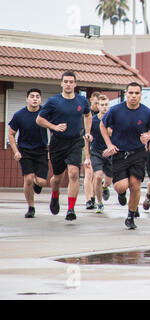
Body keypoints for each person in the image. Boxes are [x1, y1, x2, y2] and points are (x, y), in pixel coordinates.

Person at [36, 71, 93, 221]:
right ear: (61, 83)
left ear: (75, 84)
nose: (68, 84)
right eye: (65, 81)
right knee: (57, 178)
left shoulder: (82, 101)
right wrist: (54, 127)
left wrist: (87, 132)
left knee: (74, 173)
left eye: (71, 82)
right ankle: (55, 195)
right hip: (58, 143)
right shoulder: (54, 101)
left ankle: (71, 209)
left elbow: (88, 115)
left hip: (75, 141)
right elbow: (39, 119)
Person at [101, 82, 150, 230]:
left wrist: (149, 135)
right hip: (119, 152)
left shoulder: (147, 113)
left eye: (136, 93)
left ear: (141, 95)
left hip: (138, 152)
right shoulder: (115, 110)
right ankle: (121, 193)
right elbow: (102, 125)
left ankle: (131, 216)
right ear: (126, 94)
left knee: (135, 185)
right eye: (131, 93)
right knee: (121, 186)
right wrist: (109, 144)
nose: (133, 96)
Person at [8, 88, 49, 218]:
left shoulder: (45, 113)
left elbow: (54, 128)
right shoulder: (19, 115)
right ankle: (31, 207)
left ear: (40, 99)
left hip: (42, 150)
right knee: (29, 179)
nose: (35, 98)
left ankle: (38, 184)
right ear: (27, 99)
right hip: (25, 151)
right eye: (32, 96)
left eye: (37, 96)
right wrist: (16, 152)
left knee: (42, 182)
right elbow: (11, 134)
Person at [83, 95, 113, 214]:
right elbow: (86, 137)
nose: (104, 107)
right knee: (98, 176)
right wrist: (87, 157)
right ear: (98, 106)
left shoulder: (112, 120)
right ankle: (99, 203)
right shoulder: (93, 120)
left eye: (106, 105)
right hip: (96, 152)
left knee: (108, 180)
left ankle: (105, 187)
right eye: (102, 105)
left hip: (110, 153)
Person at [84, 91, 101, 210]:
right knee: (88, 173)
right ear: (91, 101)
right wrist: (87, 155)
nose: (97, 105)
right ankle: (88, 200)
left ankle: (93, 196)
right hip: (84, 145)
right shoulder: (86, 113)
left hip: (97, 147)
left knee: (97, 175)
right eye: (96, 103)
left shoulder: (102, 115)